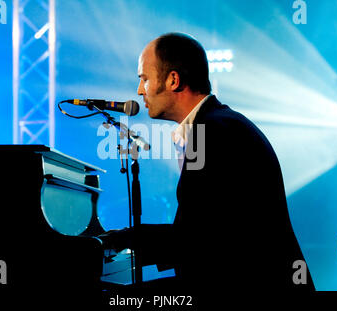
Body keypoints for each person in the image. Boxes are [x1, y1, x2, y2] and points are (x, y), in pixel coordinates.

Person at [99, 32, 314, 303]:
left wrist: (120, 243)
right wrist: (123, 240)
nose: (140, 90)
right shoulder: (217, 124)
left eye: (144, 79)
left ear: (173, 80)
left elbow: (198, 244)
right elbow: (203, 235)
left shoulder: (215, 130)